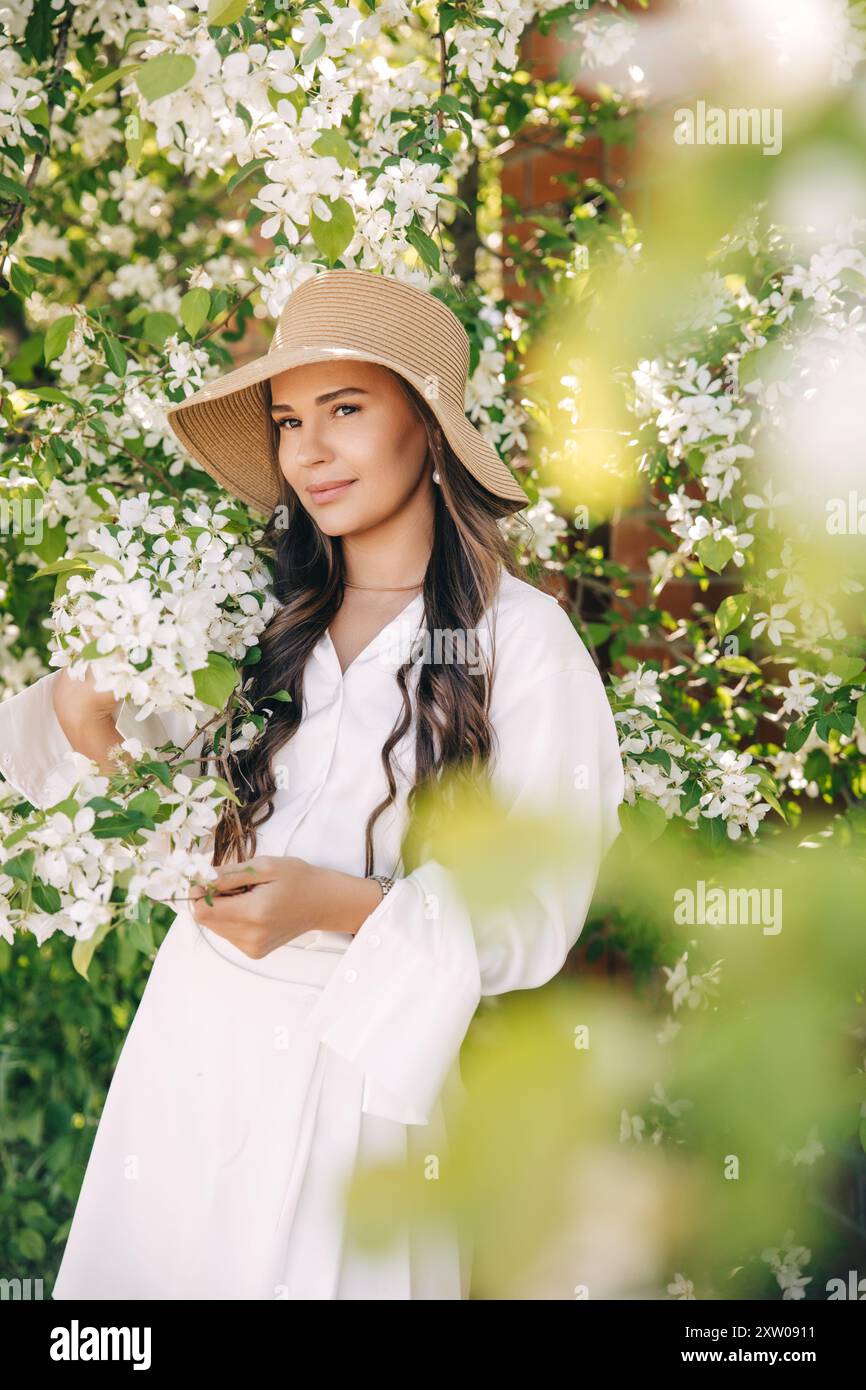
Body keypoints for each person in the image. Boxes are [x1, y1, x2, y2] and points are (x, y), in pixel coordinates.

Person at [0, 267, 625, 1299]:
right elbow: (131, 798)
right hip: (192, 1043)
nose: (310, 452)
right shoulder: (246, 611)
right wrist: (87, 719)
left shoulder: (524, 643)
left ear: (427, 427)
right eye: (289, 421)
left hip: (368, 1072)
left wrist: (336, 906)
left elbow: (532, 910)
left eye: (346, 410)